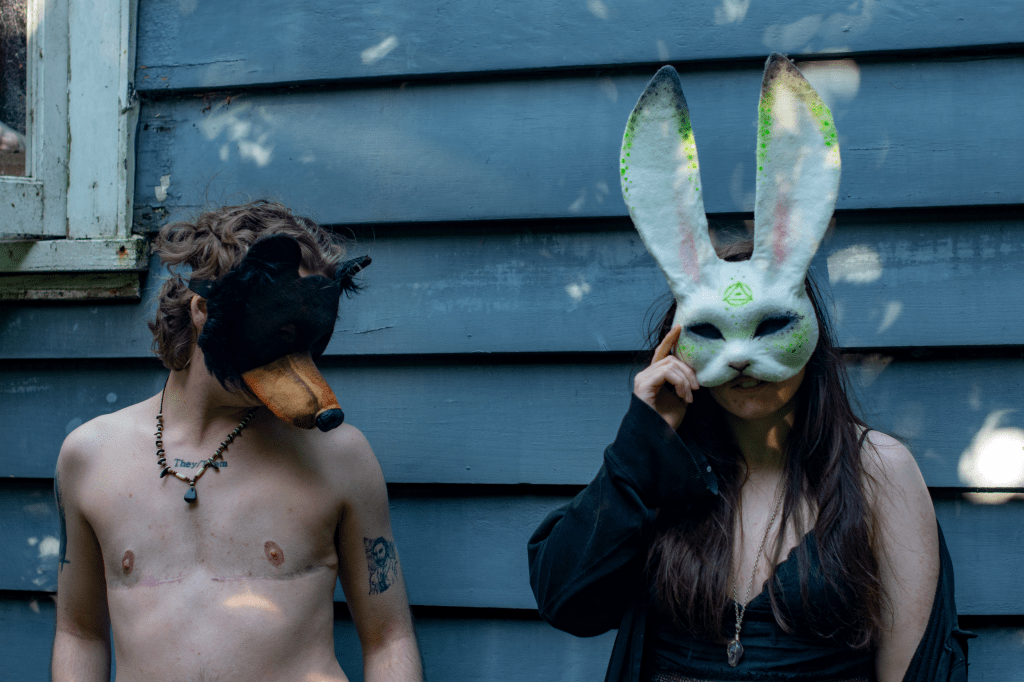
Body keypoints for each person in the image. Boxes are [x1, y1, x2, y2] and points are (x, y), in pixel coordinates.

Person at [527, 58, 970, 682]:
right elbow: (566, 601)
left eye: (770, 328)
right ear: (676, 345)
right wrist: (642, 442)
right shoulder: (662, 470)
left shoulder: (877, 472)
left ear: (812, 335)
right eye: (711, 333)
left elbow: (915, 671)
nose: (739, 358)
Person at [52, 200, 423, 682]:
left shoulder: (338, 456)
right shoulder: (90, 457)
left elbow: (389, 639)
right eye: (279, 330)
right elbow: (80, 634)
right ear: (203, 308)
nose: (298, 364)